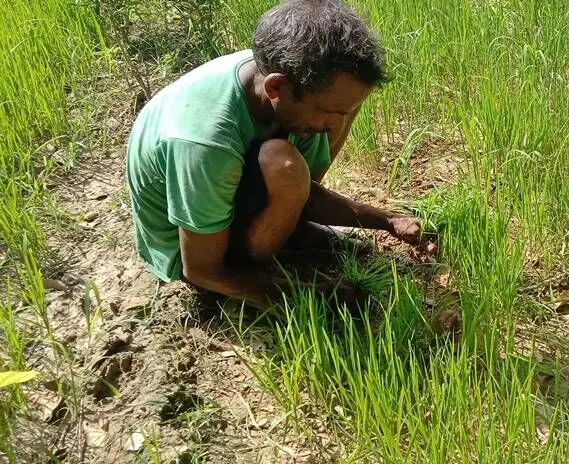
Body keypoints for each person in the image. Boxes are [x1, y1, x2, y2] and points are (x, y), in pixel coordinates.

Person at [125, 0, 423, 307]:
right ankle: (272, 248)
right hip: (194, 250)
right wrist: (312, 297)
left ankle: (287, 230)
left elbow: (303, 189)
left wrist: (389, 220)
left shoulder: (282, 76)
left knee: (291, 161)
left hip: (230, 192)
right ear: (276, 88)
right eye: (328, 111)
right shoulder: (206, 142)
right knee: (283, 163)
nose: (338, 124)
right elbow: (201, 270)